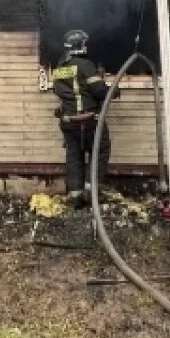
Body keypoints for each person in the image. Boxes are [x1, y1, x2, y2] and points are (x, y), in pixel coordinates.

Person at [50, 29, 111, 207]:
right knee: (99, 152)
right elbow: (99, 91)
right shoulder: (84, 65)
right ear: (78, 46)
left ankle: (75, 197)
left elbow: (62, 92)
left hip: (68, 122)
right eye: (84, 43)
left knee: (74, 156)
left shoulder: (58, 69)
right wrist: (113, 91)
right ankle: (91, 194)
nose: (86, 46)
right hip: (87, 120)